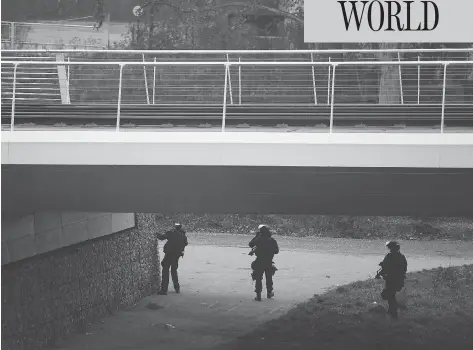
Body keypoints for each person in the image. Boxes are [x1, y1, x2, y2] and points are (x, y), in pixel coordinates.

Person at [377, 241, 408, 319]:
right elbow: (404, 268)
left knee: (386, 294)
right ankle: (392, 310)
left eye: (389, 248)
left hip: (391, 280)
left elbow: (385, 268)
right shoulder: (402, 256)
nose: (389, 249)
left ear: (391, 248)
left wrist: (380, 273)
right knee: (391, 294)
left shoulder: (389, 256)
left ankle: (394, 311)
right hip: (399, 280)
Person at [249, 225, 279, 301]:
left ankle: (258, 294)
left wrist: (256, 236)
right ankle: (269, 292)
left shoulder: (258, 239)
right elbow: (276, 251)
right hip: (268, 261)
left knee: (258, 278)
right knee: (269, 278)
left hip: (259, 261)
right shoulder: (272, 240)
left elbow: (250, 244)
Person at [156, 223, 188, 295]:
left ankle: (164, 290)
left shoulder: (171, 233)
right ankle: (177, 288)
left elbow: (161, 237)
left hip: (169, 254)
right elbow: (185, 243)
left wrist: (156, 233)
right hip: (177, 255)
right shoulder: (183, 236)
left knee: (165, 270)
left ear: (175, 227)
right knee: (174, 270)